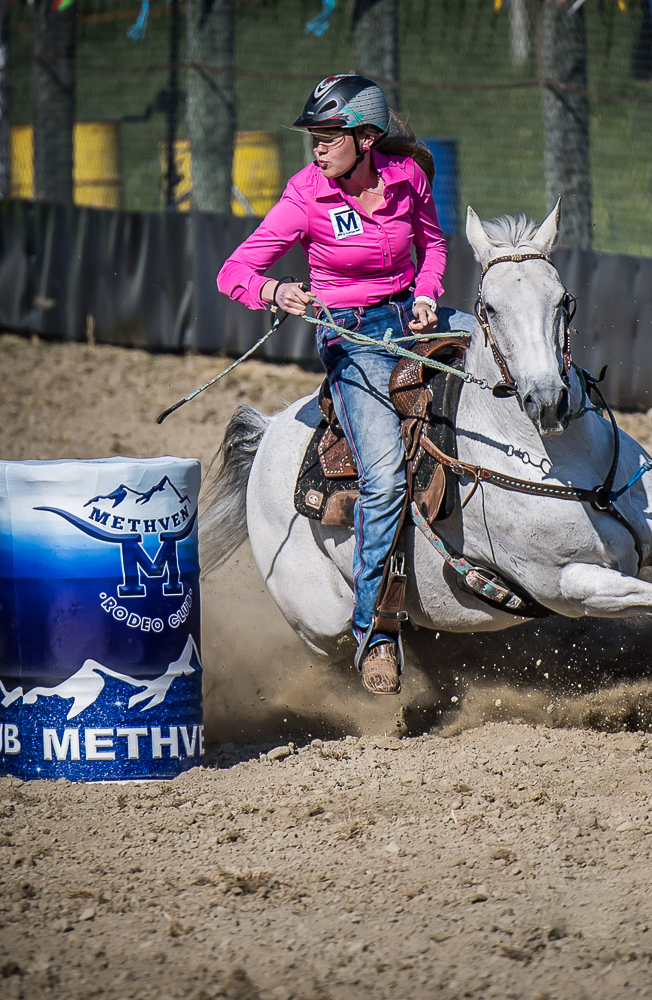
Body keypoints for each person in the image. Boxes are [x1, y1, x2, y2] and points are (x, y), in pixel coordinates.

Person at [217, 74, 471, 697]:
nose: (316, 146)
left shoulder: (408, 177)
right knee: (383, 477)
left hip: (413, 320)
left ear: (364, 137)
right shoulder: (305, 195)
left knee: (517, 363)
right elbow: (235, 272)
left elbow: (432, 246)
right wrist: (276, 291)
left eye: (328, 135)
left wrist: (428, 294)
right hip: (351, 339)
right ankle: (375, 632)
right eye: (313, 136)